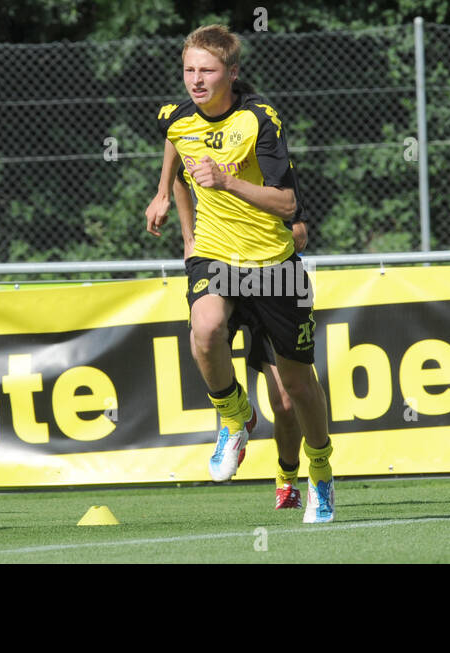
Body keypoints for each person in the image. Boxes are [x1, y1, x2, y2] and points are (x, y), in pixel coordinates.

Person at [144, 24, 334, 522]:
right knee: (204, 330)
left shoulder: (259, 120)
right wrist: (164, 191)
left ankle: (319, 473)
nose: (196, 80)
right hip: (215, 255)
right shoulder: (178, 118)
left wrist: (225, 180)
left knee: (295, 389)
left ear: (232, 72)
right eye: (188, 69)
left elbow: (287, 202)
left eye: (206, 70)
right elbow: (177, 141)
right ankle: (235, 416)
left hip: (272, 265)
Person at [171, 168, 311, 510]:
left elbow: (300, 232)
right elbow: (178, 177)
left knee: (286, 402)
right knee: (204, 331)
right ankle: (237, 414)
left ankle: (288, 478)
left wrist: (267, 237)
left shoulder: (269, 158)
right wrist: (189, 238)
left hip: (273, 280)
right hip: (223, 272)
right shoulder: (203, 149)